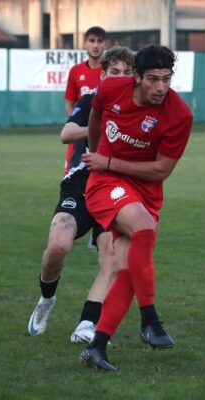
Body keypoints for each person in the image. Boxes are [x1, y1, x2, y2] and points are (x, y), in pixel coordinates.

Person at [78, 45, 193, 372]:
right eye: (153, 79)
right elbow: (95, 115)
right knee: (143, 228)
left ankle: (96, 347)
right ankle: (150, 320)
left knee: (131, 268)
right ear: (136, 78)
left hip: (146, 190)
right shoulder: (112, 88)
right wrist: (97, 155)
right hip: (106, 183)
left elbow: (161, 171)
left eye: (166, 79)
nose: (161, 87)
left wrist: (109, 158)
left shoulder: (180, 115)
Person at [28, 46, 136, 344]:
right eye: (114, 72)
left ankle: (86, 324)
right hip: (82, 183)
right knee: (58, 247)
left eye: (127, 73)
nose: (121, 78)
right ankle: (46, 299)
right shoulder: (92, 100)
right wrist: (101, 125)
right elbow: (66, 133)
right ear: (103, 75)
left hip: (117, 189)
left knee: (111, 261)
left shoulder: (139, 107)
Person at [63, 26, 107, 174]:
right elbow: (70, 102)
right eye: (92, 41)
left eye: (99, 41)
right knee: (73, 175)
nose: (95, 45)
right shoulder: (76, 71)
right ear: (85, 44)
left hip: (104, 133)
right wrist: (74, 123)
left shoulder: (110, 72)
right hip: (82, 133)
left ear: (105, 44)